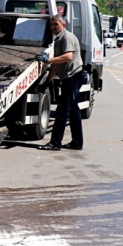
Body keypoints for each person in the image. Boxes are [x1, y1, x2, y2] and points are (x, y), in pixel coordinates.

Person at [37, 14, 86, 151]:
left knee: (62, 111)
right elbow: (56, 65)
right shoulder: (58, 40)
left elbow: (68, 57)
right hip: (69, 78)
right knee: (74, 111)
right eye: (52, 25)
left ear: (63, 25)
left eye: (56, 24)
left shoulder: (67, 37)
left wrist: (49, 59)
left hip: (74, 76)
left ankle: (55, 143)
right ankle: (77, 142)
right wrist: (48, 81)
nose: (53, 27)